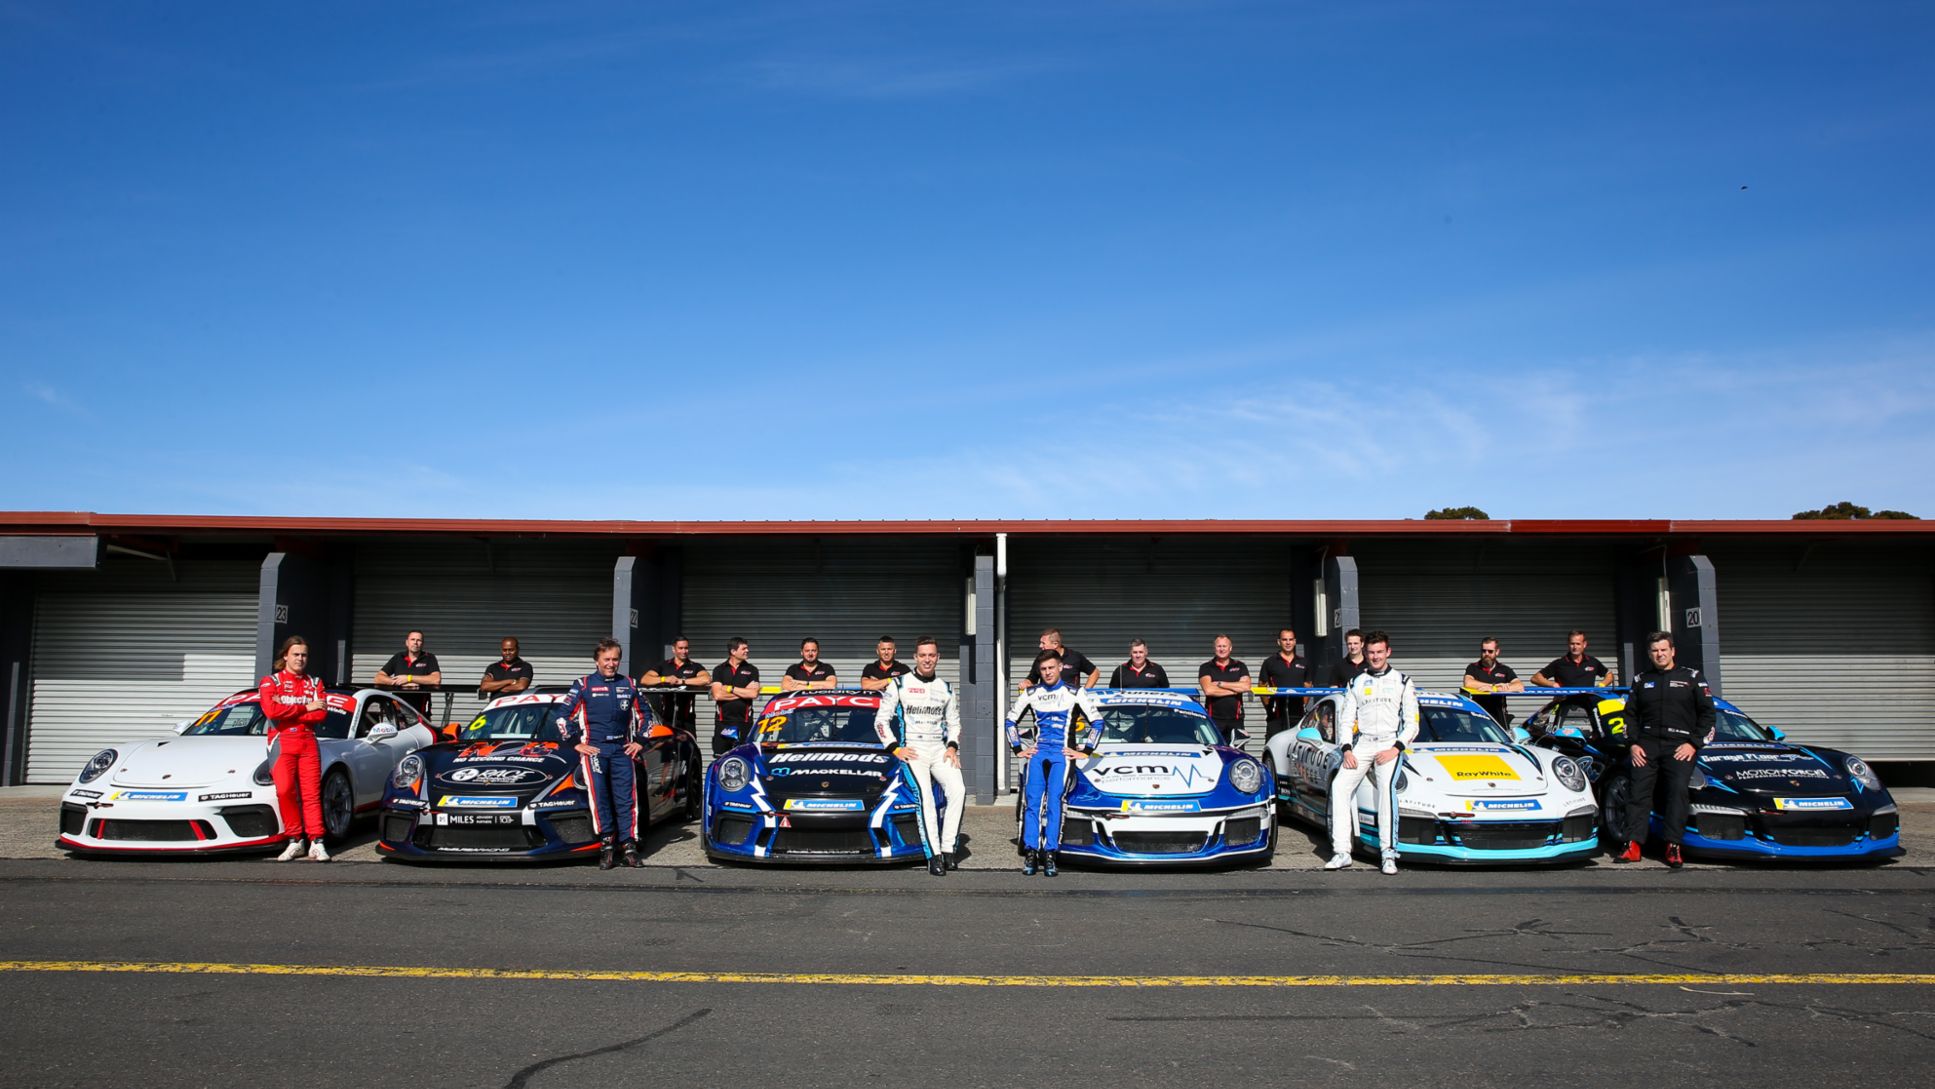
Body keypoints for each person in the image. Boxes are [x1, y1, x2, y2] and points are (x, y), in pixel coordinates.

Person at [1617, 632, 1717, 869]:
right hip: (1647, 744)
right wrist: (1632, 743)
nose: (1659, 654)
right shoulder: (1641, 679)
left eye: (1663, 649)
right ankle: (1632, 844)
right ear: (1649, 654)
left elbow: (1708, 716)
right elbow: (1629, 715)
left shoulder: (1692, 677)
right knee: (1637, 792)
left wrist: (1693, 743)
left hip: (1680, 745)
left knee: (1677, 792)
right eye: (1654, 650)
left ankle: (1673, 845)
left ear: (1673, 651)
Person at [1324, 630, 1418, 876]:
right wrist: (1346, 749)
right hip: (1363, 744)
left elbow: (1412, 724)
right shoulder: (1356, 681)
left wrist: (1395, 749)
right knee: (1340, 787)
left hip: (1389, 744)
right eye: (1371, 652)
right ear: (1365, 653)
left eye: (1380, 652)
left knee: (1386, 792)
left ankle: (1388, 853)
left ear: (1388, 652)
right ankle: (1342, 852)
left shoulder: (1403, 681)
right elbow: (1345, 721)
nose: (1375, 657)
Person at [1005, 649, 1105, 877]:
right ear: (1039, 671)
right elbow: (1010, 721)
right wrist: (1019, 749)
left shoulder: (1076, 693)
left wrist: (1086, 751)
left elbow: (1098, 723)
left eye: (1051, 667)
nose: (1048, 672)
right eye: (1043, 669)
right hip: (1039, 754)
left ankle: (1050, 853)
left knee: (1054, 802)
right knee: (1032, 802)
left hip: (1062, 755)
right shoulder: (1031, 693)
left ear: (1060, 667)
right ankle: (1031, 851)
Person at [554, 639, 651, 870]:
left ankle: (628, 846)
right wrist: (576, 743)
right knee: (601, 799)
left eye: (615, 659)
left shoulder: (630, 684)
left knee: (627, 799)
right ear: (597, 660)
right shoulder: (583, 684)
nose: (611, 664)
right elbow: (562, 716)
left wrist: (640, 742)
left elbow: (646, 715)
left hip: (622, 750)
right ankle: (606, 845)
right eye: (606, 659)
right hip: (595, 750)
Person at [873, 636, 963, 876]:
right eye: (923, 655)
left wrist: (952, 747)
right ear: (915, 657)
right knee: (926, 797)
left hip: (939, 749)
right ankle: (933, 855)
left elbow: (954, 723)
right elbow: (881, 721)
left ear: (938, 658)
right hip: (913, 750)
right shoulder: (899, 684)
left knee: (959, 790)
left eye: (931, 655)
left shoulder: (946, 688)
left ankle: (948, 850)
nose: (927, 659)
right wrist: (895, 748)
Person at [261, 636, 331, 862]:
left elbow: (320, 714)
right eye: (296, 654)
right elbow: (271, 711)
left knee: (311, 794)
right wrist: (305, 707)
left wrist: (288, 708)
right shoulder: (271, 682)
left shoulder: (315, 682)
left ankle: (317, 841)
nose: (300, 659)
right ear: (285, 656)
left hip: (308, 740)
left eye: (304, 655)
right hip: (281, 743)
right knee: (284, 791)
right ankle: (294, 840)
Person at [641, 636, 709, 733]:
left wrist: (682, 681)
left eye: (686, 648)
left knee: (688, 747)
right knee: (667, 746)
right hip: (667, 717)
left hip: (687, 719)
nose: (684, 651)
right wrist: (665, 679)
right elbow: (645, 679)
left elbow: (706, 679)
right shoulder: (663, 665)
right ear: (674, 649)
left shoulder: (695, 666)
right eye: (681, 648)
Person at [709, 638, 760, 756]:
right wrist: (744, 693)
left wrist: (730, 688)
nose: (747, 650)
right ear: (733, 651)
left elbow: (753, 694)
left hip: (745, 723)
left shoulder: (752, 670)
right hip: (723, 723)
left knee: (745, 757)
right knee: (720, 758)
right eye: (744, 648)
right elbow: (717, 695)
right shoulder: (719, 670)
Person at [1196, 635, 1252, 744]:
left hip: (1236, 720)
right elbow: (1209, 690)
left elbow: (1246, 687)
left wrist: (1221, 684)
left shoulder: (1240, 666)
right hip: (1214, 720)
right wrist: (1235, 690)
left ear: (1230, 648)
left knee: (1237, 753)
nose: (1222, 649)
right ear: (1214, 648)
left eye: (1224, 646)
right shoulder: (1206, 667)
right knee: (1214, 753)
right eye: (1219, 646)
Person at [1258, 627, 1311, 739]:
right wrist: (1269, 707)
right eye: (1284, 640)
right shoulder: (1269, 662)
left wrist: (1303, 704)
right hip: (1276, 715)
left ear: (1295, 641)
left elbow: (1308, 686)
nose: (1288, 643)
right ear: (1279, 642)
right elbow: (1262, 687)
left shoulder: (1304, 662)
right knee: (1273, 746)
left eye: (1291, 640)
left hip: (1298, 713)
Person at [375, 629, 442, 715]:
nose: (415, 642)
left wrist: (409, 678)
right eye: (412, 639)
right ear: (407, 642)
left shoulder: (429, 658)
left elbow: (436, 679)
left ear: (422, 643)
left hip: (420, 712)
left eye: (419, 640)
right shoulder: (398, 657)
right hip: (398, 711)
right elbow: (378, 678)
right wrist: (397, 682)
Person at [1462, 637, 1523, 727]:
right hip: (1478, 716)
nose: (1486, 654)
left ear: (1497, 652)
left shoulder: (1504, 669)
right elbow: (1468, 683)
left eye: (1490, 651)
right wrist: (1493, 686)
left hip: (1499, 717)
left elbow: (1519, 686)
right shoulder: (1473, 667)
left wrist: (1495, 689)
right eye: (1484, 651)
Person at [1531, 630, 1617, 688]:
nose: (1575, 647)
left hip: (1588, 705)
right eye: (1572, 644)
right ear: (1568, 644)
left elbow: (1609, 675)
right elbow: (1535, 678)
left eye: (1578, 644)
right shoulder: (1559, 663)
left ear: (1584, 644)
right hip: (1565, 704)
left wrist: (1601, 686)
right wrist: (1553, 684)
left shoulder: (1593, 662)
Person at [1022, 628, 1098, 690]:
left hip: (1071, 705)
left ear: (1055, 644)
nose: (1040, 646)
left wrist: (1084, 692)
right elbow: (1032, 678)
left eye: (1043, 643)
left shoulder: (1075, 656)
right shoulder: (1041, 658)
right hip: (1048, 702)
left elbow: (1095, 672)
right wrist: (1026, 682)